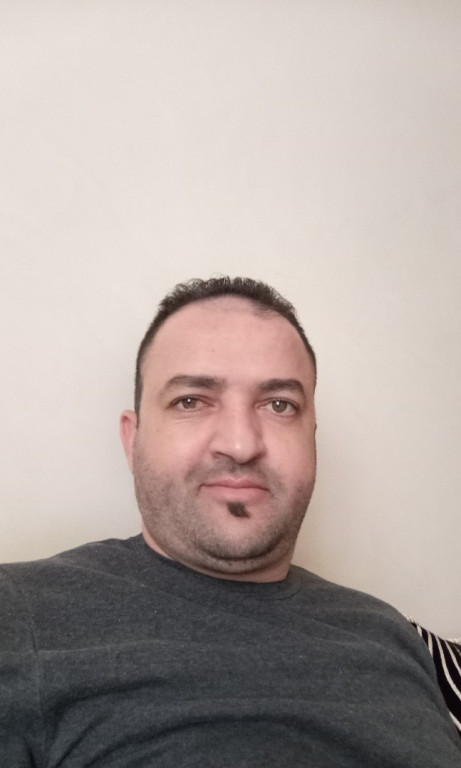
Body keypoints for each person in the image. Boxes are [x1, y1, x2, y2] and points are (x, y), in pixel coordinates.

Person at [0, 276, 459, 767]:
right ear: (133, 441)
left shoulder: (394, 635)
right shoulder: (19, 611)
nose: (241, 445)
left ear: (312, 439)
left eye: (280, 405)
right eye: (191, 401)